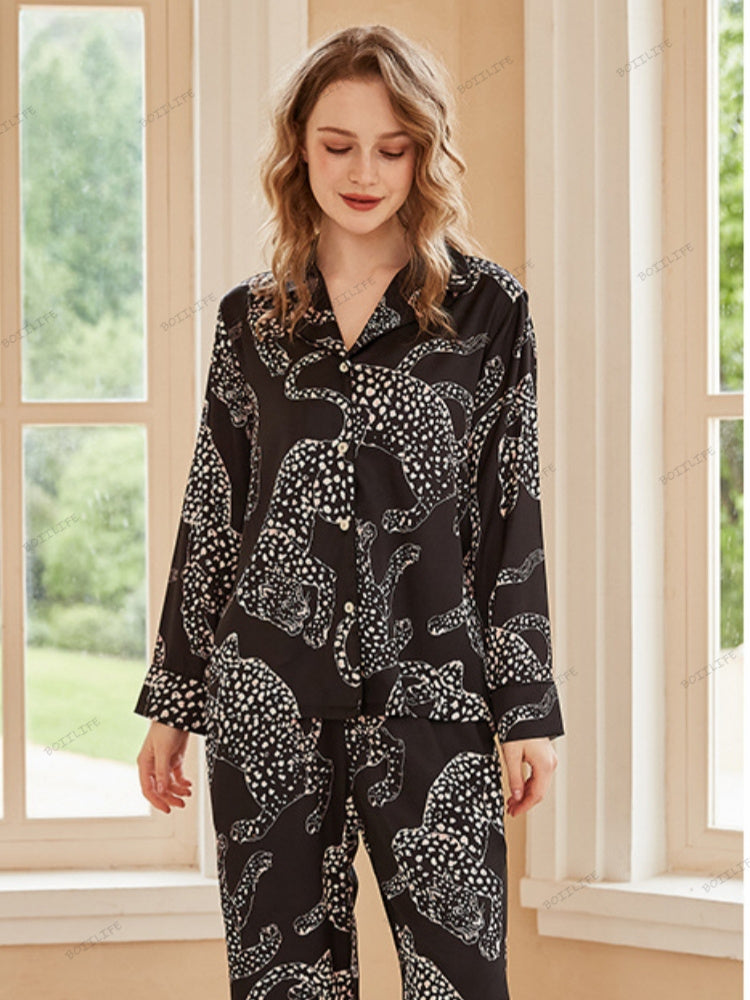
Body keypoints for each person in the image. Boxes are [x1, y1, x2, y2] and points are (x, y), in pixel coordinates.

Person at [134, 23, 564, 1000]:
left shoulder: (489, 310)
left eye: (391, 147)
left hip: (434, 694)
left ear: (424, 153)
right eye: (338, 146)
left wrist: (526, 709)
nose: (364, 172)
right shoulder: (251, 319)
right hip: (267, 700)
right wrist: (175, 697)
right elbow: (216, 505)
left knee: (462, 983)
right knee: (283, 986)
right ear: (299, 149)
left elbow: (511, 511)